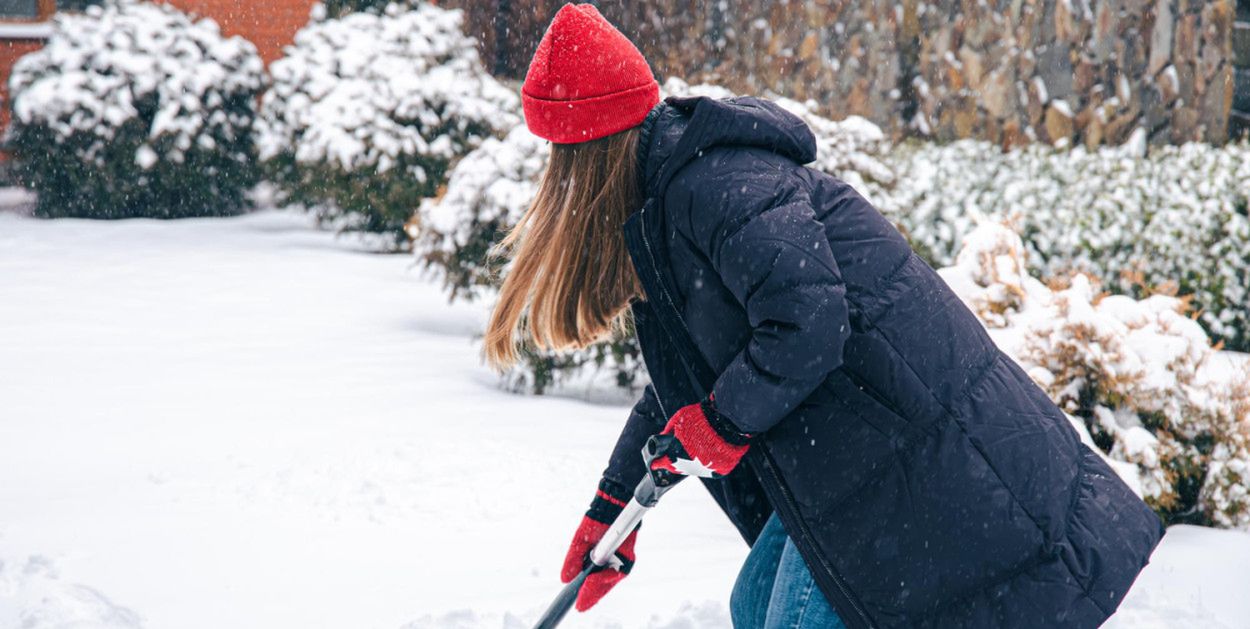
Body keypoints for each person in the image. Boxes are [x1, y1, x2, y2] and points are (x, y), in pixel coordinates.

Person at [484, 4, 1165, 628]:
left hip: (912, 455)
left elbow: (808, 318)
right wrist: (614, 502)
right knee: (754, 604)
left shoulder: (713, 185)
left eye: (558, 159)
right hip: (852, 457)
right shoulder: (665, 202)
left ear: (587, 156)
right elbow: (686, 382)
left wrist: (721, 423)